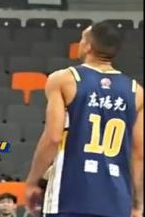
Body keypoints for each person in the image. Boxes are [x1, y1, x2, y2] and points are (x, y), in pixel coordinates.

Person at [25, 21, 144, 217]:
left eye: (82, 39)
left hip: (70, 196)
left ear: (88, 46)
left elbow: (53, 137)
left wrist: (32, 181)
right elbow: (138, 153)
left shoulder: (64, 79)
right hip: (116, 201)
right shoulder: (136, 92)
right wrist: (138, 203)